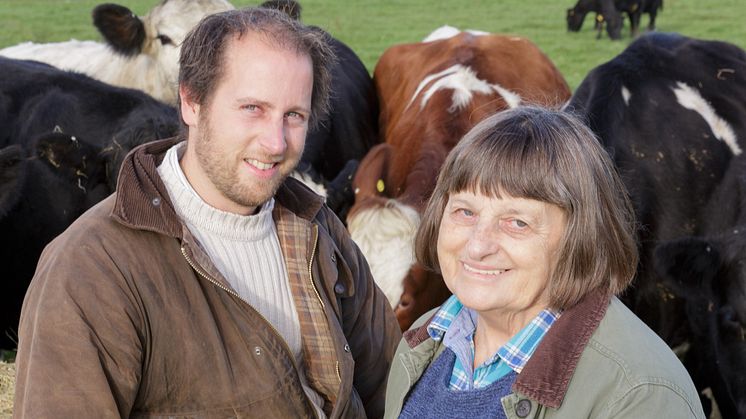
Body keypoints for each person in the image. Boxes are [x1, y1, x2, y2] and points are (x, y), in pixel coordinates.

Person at [14, 7, 401, 418]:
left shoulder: (318, 227)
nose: (275, 142)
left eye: (294, 116)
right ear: (191, 102)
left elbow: (390, 386)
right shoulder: (90, 269)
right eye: (252, 108)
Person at [383, 107, 705, 418]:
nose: (478, 245)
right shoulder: (422, 341)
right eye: (465, 212)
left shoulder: (641, 395)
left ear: (580, 237)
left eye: (517, 222)